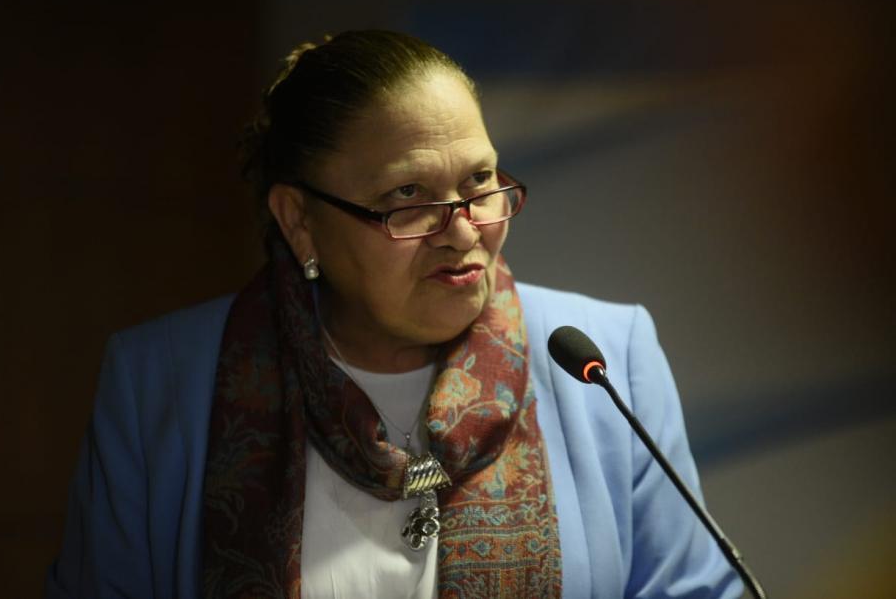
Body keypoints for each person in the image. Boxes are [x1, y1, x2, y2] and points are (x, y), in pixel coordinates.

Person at [45, 30, 741, 598]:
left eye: (479, 182)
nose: (464, 230)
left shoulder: (601, 360)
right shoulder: (157, 384)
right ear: (300, 222)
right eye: (408, 197)